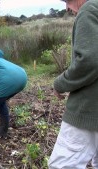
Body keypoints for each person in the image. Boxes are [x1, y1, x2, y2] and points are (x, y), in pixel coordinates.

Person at [48, 0, 98, 168]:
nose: (67, 8)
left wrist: (60, 84)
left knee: (62, 165)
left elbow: (89, 61)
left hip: (89, 108)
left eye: (68, 1)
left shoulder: (90, 8)